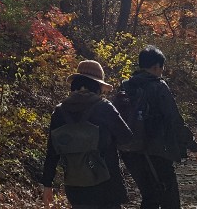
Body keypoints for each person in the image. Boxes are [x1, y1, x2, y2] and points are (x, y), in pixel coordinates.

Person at [119, 46, 197, 209]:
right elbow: (174, 120)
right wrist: (194, 148)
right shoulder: (158, 86)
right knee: (169, 198)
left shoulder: (125, 86)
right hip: (157, 151)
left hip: (130, 151)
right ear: (157, 66)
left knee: (149, 196)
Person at [41, 60, 132, 209]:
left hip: (75, 186)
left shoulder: (60, 112)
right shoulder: (104, 107)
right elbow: (126, 138)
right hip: (106, 184)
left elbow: (52, 151)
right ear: (98, 86)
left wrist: (47, 184)